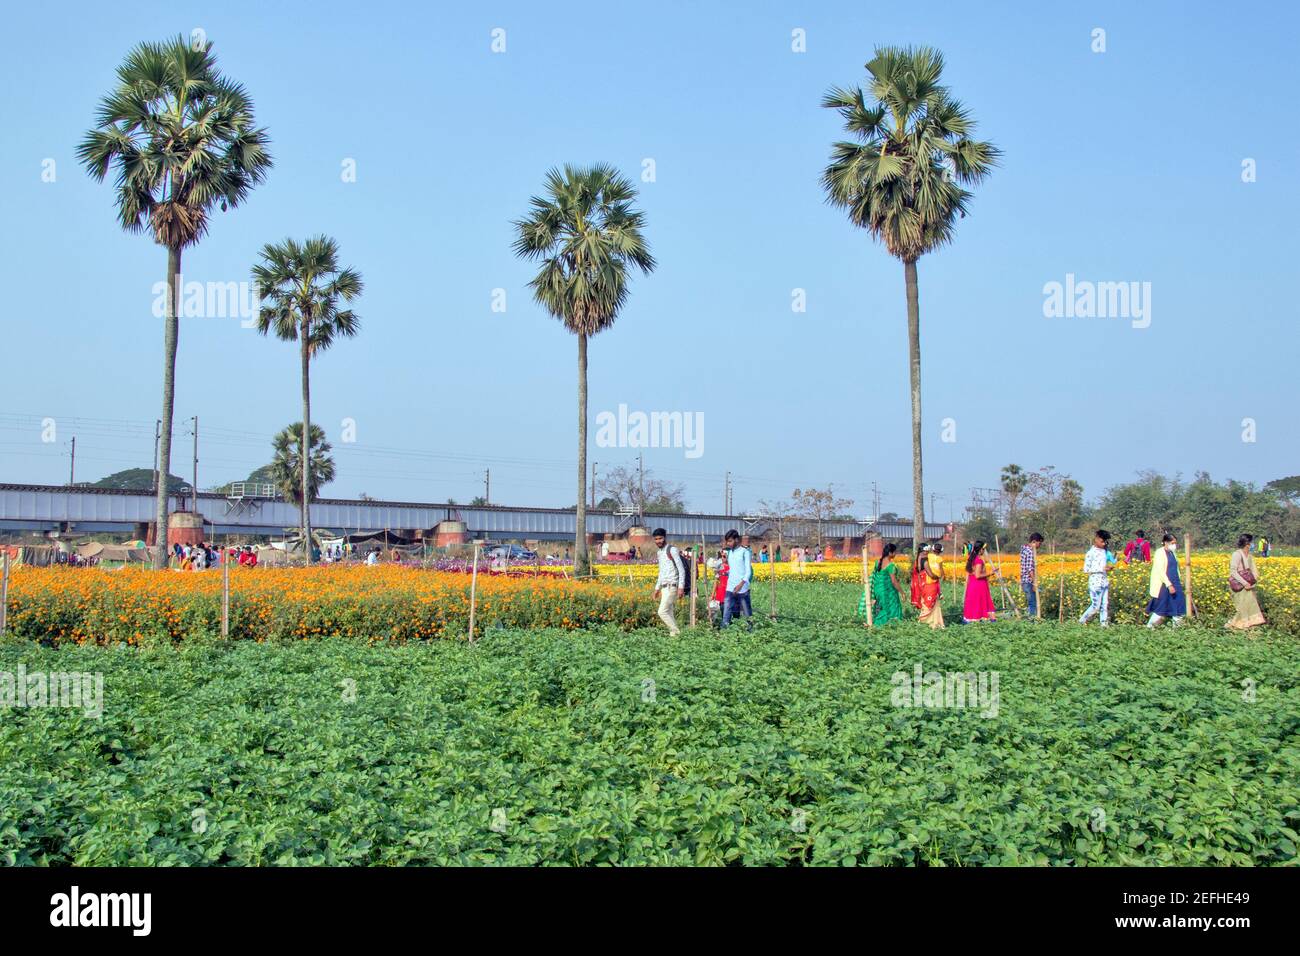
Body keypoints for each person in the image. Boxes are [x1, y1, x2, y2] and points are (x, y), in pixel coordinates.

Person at [1226, 533, 1266, 631]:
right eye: (1252, 542)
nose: (1253, 544)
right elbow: (1233, 572)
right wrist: (1245, 583)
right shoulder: (1237, 554)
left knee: (1250, 606)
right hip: (1239, 586)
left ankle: (1243, 626)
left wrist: (1254, 582)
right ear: (1247, 543)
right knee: (1243, 607)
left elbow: (1254, 571)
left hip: (1249, 585)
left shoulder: (1250, 556)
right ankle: (1235, 626)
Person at [1146, 533, 1186, 628]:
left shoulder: (1172, 553)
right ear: (1165, 542)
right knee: (1161, 608)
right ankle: (1150, 628)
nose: (1174, 545)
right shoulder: (1159, 553)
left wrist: (1179, 580)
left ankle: (1178, 630)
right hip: (1164, 585)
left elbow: (1175, 568)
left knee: (1178, 607)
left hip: (1175, 582)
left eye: (1175, 543)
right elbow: (1160, 571)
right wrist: (1169, 584)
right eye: (1172, 543)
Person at [861, 543, 906, 624]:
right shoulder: (890, 565)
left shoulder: (877, 562)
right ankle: (878, 624)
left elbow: (875, 575)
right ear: (890, 553)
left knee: (881, 607)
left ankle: (875, 622)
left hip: (877, 589)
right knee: (890, 608)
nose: (895, 554)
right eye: (894, 552)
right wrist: (902, 592)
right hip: (887, 591)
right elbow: (894, 581)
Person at [652, 528, 685, 637]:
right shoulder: (659, 552)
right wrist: (657, 588)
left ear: (665, 537)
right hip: (664, 587)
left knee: (662, 612)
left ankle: (677, 632)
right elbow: (661, 572)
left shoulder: (672, 550)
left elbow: (681, 569)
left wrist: (681, 587)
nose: (658, 541)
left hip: (672, 586)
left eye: (660, 538)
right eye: (656, 539)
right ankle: (674, 638)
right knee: (669, 613)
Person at [1079, 530, 1116, 626]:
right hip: (1095, 582)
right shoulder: (1090, 553)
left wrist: (1107, 568)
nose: (1104, 544)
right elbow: (1086, 569)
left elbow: (1104, 566)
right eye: (1102, 541)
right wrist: (1102, 568)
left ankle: (1104, 625)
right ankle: (1081, 621)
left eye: (1105, 542)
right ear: (1096, 539)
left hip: (1104, 581)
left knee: (1104, 605)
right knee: (1095, 606)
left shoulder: (1104, 552)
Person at [721, 529, 753, 631]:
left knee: (747, 614)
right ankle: (725, 633)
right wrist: (724, 573)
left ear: (736, 540)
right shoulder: (730, 553)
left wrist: (740, 584)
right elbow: (733, 570)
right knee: (726, 613)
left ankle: (751, 634)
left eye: (730, 541)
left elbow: (748, 572)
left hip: (742, 589)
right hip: (730, 588)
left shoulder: (745, 552)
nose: (728, 543)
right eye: (727, 541)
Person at [962, 540, 997, 622]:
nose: (984, 551)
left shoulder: (971, 559)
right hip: (979, 586)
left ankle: (972, 621)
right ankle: (986, 621)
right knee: (980, 603)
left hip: (972, 585)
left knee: (974, 603)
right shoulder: (978, 561)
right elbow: (977, 575)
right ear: (980, 550)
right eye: (983, 549)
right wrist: (990, 573)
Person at [918, 543, 946, 629]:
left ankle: (930, 621)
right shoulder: (939, 559)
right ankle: (927, 621)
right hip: (932, 583)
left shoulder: (928, 556)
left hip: (925, 582)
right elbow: (941, 572)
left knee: (927, 601)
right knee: (931, 603)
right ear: (941, 551)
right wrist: (943, 576)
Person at [1020, 533, 1044, 617]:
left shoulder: (1024, 549)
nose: (1039, 545)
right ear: (1034, 541)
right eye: (1039, 543)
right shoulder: (1030, 552)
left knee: (1031, 602)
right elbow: (1030, 569)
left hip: (1024, 580)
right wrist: (1034, 583)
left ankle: (1031, 618)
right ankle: (1033, 621)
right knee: (1033, 603)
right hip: (1029, 581)